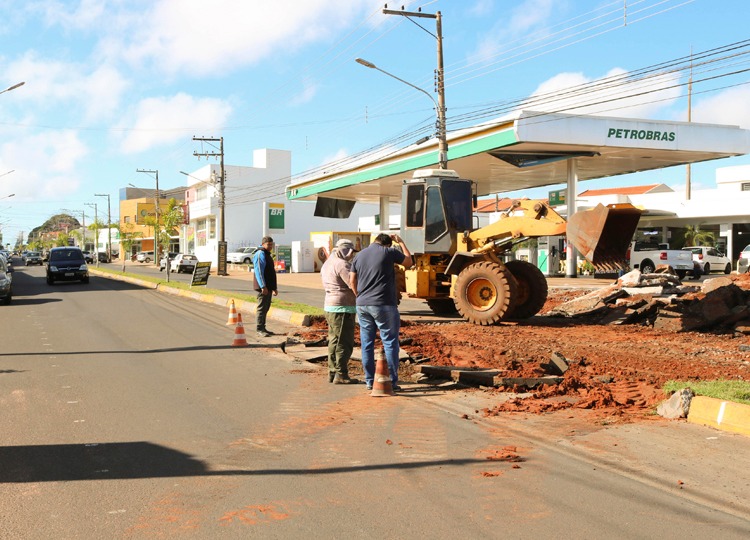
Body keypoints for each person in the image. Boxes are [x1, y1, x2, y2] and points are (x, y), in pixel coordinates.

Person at [349, 233, 413, 391]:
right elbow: (409, 263)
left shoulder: (359, 255)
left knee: (367, 343)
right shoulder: (388, 252)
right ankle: (390, 381)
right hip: (384, 305)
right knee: (390, 342)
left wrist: (359, 296)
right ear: (387, 244)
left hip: (362, 305)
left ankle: (370, 381)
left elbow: (352, 280)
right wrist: (402, 241)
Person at [321, 239, 359, 384]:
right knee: (344, 342)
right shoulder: (342, 264)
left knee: (334, 340)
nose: (351, 256)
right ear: (346, 251)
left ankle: (333, 372)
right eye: (350, 252)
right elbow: (353, 284)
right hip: (343, 308)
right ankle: (341, 374)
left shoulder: (328, 263)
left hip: (330, 306)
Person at [252, 236, 278, 337]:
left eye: (271, 244)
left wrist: (274, 288)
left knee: (266, 307)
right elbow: (259, 271)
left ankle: (263, 327)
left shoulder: (267, 254)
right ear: (263, 244)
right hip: (263, 287)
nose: (270, 246)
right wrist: (263, 286)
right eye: (268, 244)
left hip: (269, 287)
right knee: (262, 308)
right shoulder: (260, 254)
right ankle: (259, 328)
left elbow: (271, 272)